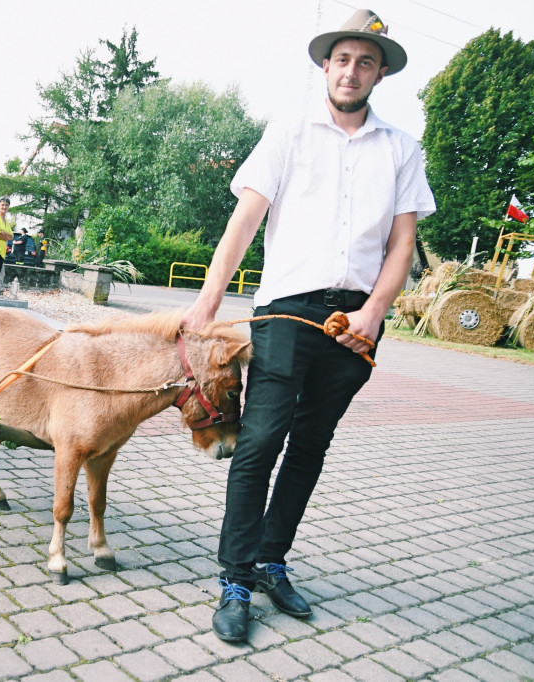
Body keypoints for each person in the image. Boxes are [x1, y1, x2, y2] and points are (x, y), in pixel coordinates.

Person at [181, 9, 435, 643]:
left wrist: (375, 315)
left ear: (380, 74)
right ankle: (235, 578)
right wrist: (207, 303)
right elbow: (244, 221)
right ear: (327, 65)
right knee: (262, 438)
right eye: (342, 59)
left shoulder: (402, 149)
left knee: (310, 445)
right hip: (288, 311)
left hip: (356, 322)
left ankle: (272, 560)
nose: (352, 71)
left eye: (365, 62)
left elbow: (403, 243)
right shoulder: (288, 134)